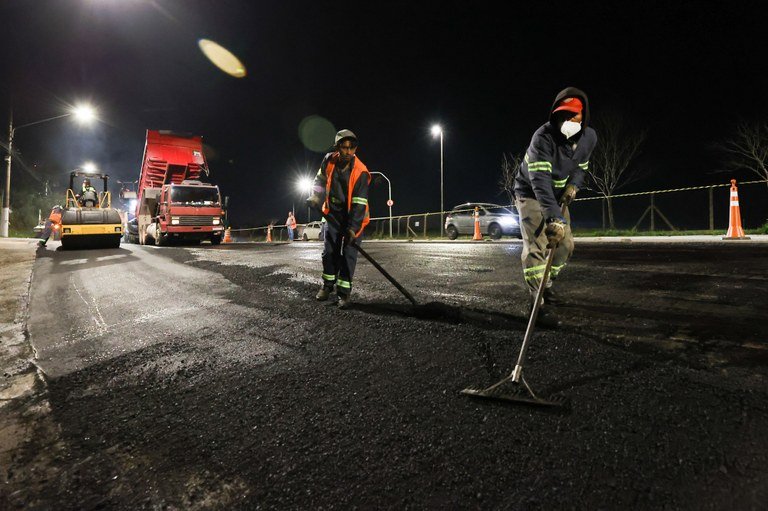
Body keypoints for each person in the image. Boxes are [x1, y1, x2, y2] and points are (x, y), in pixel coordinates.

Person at [514, 87, 598, 327]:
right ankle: (536, 305)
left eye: (575, 116)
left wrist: (574, 186)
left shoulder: (589, 138)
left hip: (559, 196)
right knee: (537, 247)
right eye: (564, 115)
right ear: (556, 115)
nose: (569, 121)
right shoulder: (543, 138)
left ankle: (545, 286)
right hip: (531, 194)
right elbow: (539, 182)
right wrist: (554, 219)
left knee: (565, 246)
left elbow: (582, 167)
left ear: (584, 116)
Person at [306, 129, 371, 309]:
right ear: (337, 148)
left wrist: (352, 229)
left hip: (353, 217)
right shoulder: (328, 160)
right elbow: (319, 180)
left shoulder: (361, 172)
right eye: (344, 147)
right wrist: (316, 197)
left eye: (352, 148)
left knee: (348, 254)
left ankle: (344, 293)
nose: (348, 152)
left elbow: (359, 204)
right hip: (332, 213)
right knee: (329, 252)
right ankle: (327, 286)